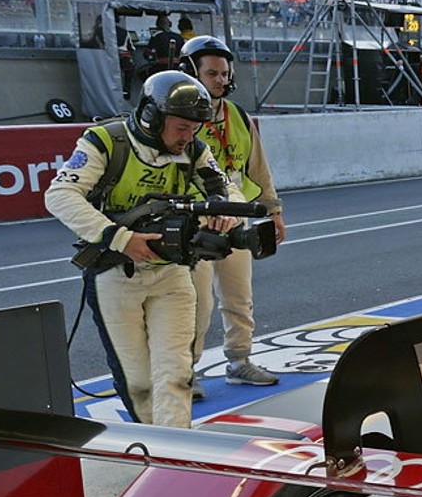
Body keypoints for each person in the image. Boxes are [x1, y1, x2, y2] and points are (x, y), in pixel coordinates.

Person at [44, 72, 232, 429]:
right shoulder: (104, 142)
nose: (187, 137)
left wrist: (222, 213)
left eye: (194, 129)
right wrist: (119, 238)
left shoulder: (195, 149)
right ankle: (156, 450)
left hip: (172, 273)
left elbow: (224, 191)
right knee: (139, 382)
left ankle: (176, 454)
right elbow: (59, 196)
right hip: (114, 275)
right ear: (152, 116)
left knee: (176, 373)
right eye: (180, 127)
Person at [181, 35, 284, 394]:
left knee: (239, 296)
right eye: (212, 73)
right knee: (197, 303)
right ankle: (184, 373)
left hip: (237, 217)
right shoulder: (177, 119)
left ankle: (239, 360)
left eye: (224, 73)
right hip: (198, 226)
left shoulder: (238, 116)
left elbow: (260, 169)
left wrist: (274, 212)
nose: (221, 80)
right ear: (190, 73)